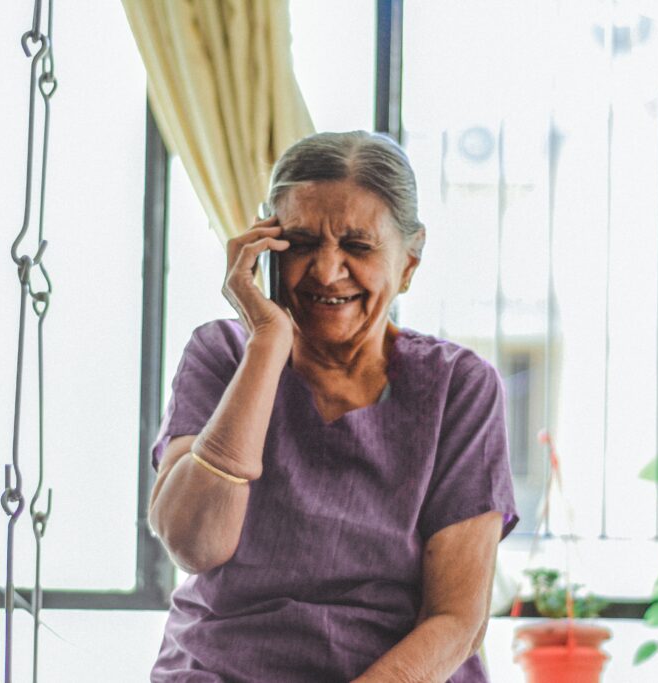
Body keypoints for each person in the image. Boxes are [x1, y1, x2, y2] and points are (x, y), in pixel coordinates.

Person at [148, 131, 518, 682]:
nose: (325, 271)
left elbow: (455, 619)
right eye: (299, 243)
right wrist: (267, 346)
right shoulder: (222, 354)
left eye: (358, 246)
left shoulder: (458, 387)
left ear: (410, 261)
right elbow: (195, 545)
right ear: (265, 244)